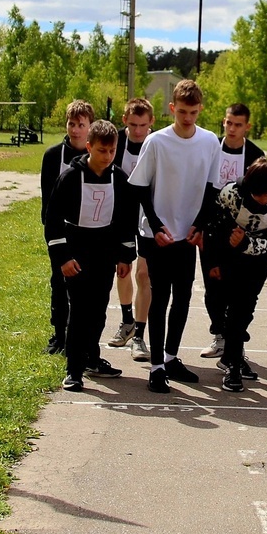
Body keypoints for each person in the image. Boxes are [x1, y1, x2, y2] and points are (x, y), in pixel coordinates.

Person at [129, 80, 221, 393]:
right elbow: (139, 186)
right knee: (160, 295)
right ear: (172, 108)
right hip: (157, 235)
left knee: (183, 296)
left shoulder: (210, 142)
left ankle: (170, 358)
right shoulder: (156, 142)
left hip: (186, 234)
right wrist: (154, 224)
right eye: (182, 111)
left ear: (201, 109)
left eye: (193, 112)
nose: (187, 117)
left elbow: (212, 188)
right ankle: (155, 367)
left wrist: (200, 224)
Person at [45, 120, 135, 392]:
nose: (107, 157)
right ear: (89, 147)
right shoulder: (71, 177)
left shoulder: (118, 178)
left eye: (111, 151)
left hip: (105, 252)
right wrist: (63, 257)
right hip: (77, 251)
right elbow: (53, 220)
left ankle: (92, 359)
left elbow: (125, 219)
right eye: (101, 151)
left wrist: (124, 256)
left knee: (98, 311)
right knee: (80, 312)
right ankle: (74, 369)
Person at [199, 158, 267, 392]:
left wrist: (247, 243)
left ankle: (233, 364)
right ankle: (231, 349)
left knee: (242, 309)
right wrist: (213, 260)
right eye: (258, 196)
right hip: (226, 256)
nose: (265, 200)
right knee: (216, 301)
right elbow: (212, 226)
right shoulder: (230, 194)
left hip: (257, 262)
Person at [200, 103, 267, 360]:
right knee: (212, 287)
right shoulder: (211, 148)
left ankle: (236, 342)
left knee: (237, 289)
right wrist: (199, 226)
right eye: (228, 123)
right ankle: (219, 335)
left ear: (247, 126)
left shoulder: (256, 155)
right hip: (211, 229)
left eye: (238, 124)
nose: (232, 128)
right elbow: (202, 189)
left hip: (240, 232)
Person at [40, 99, 95, 356]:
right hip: (60, 231)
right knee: (59, 282)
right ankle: (58, 334)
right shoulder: (53, 156)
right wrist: (52, 234)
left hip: (87, 231)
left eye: (81, 125)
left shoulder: (96, 156)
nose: (75, 129)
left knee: (86, 287)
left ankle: (83, 338)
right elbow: (47, 200)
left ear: (90, 127)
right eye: (71, 124)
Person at [108, 98, 154, 362]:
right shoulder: (116, 142)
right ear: (124, 121)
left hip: (148, 216)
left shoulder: (157, 144)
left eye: (143, 125)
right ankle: (127, 322)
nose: (138, 131)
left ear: (151, 123)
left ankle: (139, 336)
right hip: (121, 217)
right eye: (133, 125)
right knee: (123, 270)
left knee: (144, 275)